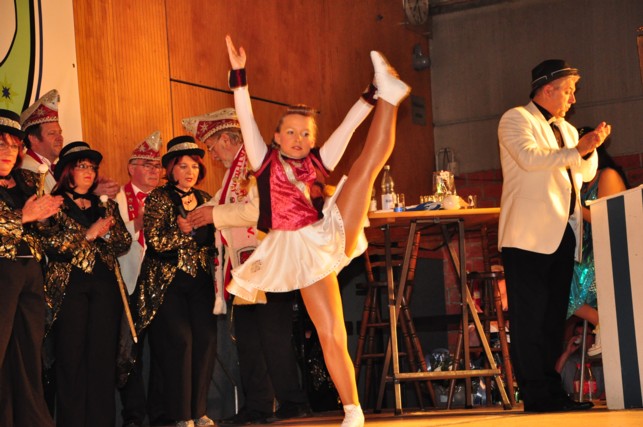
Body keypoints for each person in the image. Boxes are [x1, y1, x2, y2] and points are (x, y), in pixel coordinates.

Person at [224, 35, 410, 427]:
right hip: (293, 249)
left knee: (364, 169)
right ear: (277, 137)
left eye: (306, 133)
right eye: (291, 132)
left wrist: (371, 95)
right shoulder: (263, 161)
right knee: (331, 334)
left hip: (323, 234)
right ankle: (353, 410)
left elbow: (348, 126)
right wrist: (240, 77)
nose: (299, 139)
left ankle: (390, 96)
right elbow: (246, 118)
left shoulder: (319, 161)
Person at [183, 109, 312, 425]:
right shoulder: (233, 173)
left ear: (227, 140)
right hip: (246, 270)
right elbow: (217, 204)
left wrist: (213, 215)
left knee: (274, 337)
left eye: (212, 147)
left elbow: (260, 210)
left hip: (269, 262)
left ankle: (293, 403)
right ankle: (258, 406)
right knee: (250, 340)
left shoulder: (257, 164)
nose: (212, 155)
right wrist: (194, 217)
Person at [497, 59, 611, 413]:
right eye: (568, 91)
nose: (573, 99)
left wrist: (590, 147)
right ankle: (535, 395)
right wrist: (578, 150)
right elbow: (530, 159)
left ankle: (553, 392)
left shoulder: (567, 129)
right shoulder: (516, 118)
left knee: (552, 319)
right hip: (526, 237)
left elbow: (585, 172)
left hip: (564, 233)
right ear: (548, 89)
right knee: (530, 318)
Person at [42, 141, 132, 426]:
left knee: (102, 357)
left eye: (93, 167)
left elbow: (124, 243)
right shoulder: (53, 203)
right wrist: (88, 235)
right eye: (82, 166)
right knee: (71, 358)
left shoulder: (105, 204)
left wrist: (108, 234)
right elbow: (50, 244)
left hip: (105, 288)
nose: (89, 172)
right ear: (67, 170)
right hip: (70, 288)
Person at [132, 135, 218, 427]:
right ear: (171, 169)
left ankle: (199, 411)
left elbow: (213, 241)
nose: (190, 171)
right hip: (167, 282)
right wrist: (184, 233)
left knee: (205, 340)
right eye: (183, 166)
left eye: (194, 165)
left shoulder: (206, 199)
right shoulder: (158, 197)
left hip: (201, 281)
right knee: (180, 343)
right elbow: (156, 241)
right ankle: (181, 415)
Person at [0, 109, 62, 427]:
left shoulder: (26, 180)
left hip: (30, 274)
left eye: (13, 146)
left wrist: (48, 217)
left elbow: (49, 232)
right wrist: (24, 217)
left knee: (27, 356)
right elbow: (21, 219)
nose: (8, 152)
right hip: (2, 273)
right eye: (1, 144)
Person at [115, 131, 165, 427]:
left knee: (163, 349)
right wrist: (138, 222)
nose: (154, 171)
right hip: (130, 283)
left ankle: (161, 413)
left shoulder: (166, 197)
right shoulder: (118, 197)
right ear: (131, 168)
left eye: (157, 166)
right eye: (147, 165)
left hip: (163, 284)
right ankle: (134, 415)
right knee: (130, 350)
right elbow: (113, 239)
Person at [566, 133, 629, 357]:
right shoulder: (582, 184)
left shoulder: (607, 175)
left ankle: (603, 323)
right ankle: (602, 323)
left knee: (561, 281)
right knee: (552, 277)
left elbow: (607, 219)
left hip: (610, 251)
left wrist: (572, 207)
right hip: (588, 251)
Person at [20, 89, 120, 198]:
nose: (60, 138)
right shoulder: (27, 168)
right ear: (33, 138)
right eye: (52, 133)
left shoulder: (53, 168)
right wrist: (90, 190)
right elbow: (50, 202)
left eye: (60, 133)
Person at [555, 321, 605, 399]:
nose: (581, 338)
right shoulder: (568, 361)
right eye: (577, 334)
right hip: (573, 404)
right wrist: (567, 352)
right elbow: (553, 379)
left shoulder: (601, 361)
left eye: (585, 334)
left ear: (594, 337)